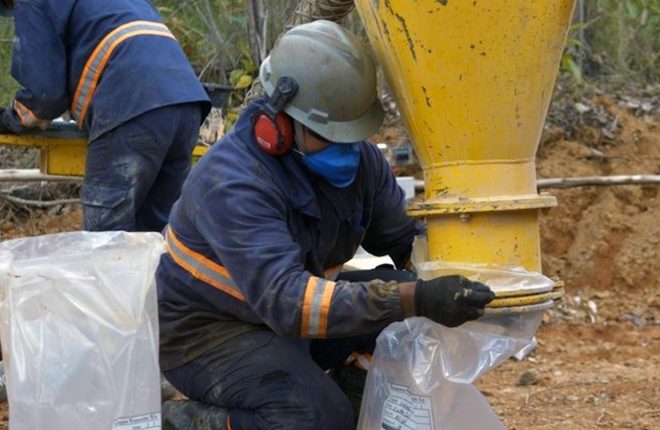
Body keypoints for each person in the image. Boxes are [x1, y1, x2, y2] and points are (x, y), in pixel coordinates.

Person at [157, 20, 495, 430]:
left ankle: (356, 412)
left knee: (406, 314)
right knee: (312, 416)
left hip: (292, 320)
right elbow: (287, 301)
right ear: (278, 122)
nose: (346, 149)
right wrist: (416, 297)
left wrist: (458, 276)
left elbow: (405, 239)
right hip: (209, 333)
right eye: (328, 134)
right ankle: (185, 422)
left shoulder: (359, 162)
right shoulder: (233, 182)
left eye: (352, 134)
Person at [0, 0, 210, 232]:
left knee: (105, 240)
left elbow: (45, 97)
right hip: (187, 103)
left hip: (131, 105)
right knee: (158, 235)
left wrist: (13, 118)